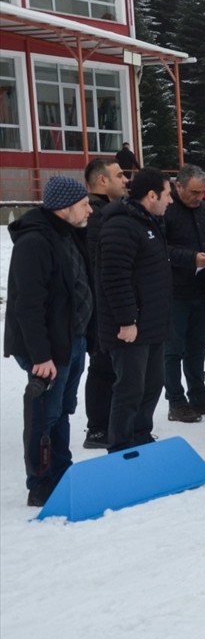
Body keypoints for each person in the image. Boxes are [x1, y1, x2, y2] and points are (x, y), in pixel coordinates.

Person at [5, 176, 93, 507]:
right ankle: (40, 482)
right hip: (48, 348)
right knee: (45, 413)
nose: (89, 209)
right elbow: (27, 306)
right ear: (65, 207)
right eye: (84, 204)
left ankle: (61, 471)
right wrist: (41, 356)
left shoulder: (68, 234)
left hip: (73, 339)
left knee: (62, 412)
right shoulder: (35, 243)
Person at [98, 168, 173, 453]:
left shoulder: (148, 223)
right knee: (130, 390)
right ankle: (121, 447)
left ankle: (141, 437)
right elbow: (114, 278)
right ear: (151, 195)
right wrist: (127, 319)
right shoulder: (121, 225)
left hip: (152, 323)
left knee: (153, 385)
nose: (170, 201)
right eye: (167, 195)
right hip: (130, 327)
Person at [162, 164, 205, 423]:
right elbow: (162, 248)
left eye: (202, 192)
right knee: (174, 348)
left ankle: (199, 395)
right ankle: (176, 401)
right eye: (193, 192)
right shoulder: (167, 210)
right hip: (176, 290)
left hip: (204, 288)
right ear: (178, 186)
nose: (199, 197)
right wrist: (191, 259)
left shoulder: (203, 209)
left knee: (198, 344)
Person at [81, 157, 128, 449]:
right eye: (120, 175)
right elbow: (99, 266)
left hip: (107, 304)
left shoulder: (112, 212)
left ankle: (109, 423)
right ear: (102, 181)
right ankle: (98, 428)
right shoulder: (97, 216)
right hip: (99, 307)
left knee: (111, 366)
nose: (125, 180)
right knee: (101, 365)